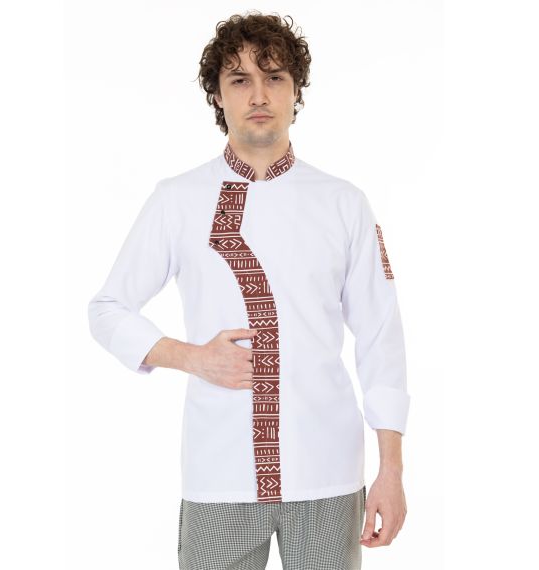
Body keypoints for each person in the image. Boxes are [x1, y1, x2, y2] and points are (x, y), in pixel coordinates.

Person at [88, 10, 411, 570]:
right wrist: (190, 357)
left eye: (275, 77)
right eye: (240, 80)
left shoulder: (343, 203)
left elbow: (381, 338)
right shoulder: (177, 200)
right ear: (218, 95)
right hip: (220, 474)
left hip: (327, 473)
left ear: (295, 90)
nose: (259, 95)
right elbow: (107, 309)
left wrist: (392, 469)